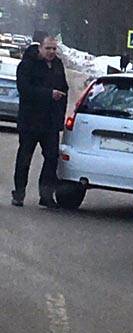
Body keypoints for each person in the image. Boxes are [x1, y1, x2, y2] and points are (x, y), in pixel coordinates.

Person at [11, 35, 69, 208]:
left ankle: (46, 195)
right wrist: (49, 94)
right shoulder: (27, 65)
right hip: (30, 121)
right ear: (40, 48)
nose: (51, 52)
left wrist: (60, 116)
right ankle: (19, 192)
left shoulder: (57, 65)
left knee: (51, 159)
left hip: (50, 123)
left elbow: (64, 89)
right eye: (48, 48)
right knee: (24, 158)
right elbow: (25, 89)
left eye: (54, 48)